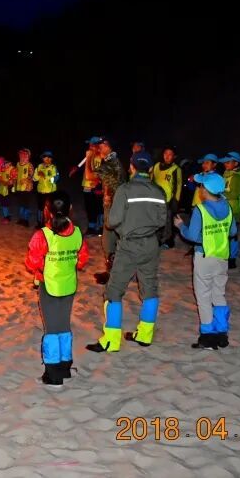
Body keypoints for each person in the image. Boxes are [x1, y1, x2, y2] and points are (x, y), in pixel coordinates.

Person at [87, 151, 166, 353]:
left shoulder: (125, 190)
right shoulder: (158, 191)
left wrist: (126, 227)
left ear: (131, 167)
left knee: (113, 291)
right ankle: (145, 335)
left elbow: (112, 221)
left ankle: (111, 340)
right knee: (150, 289)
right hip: (150, 244)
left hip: (129, 245)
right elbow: (161, 221)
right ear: (150, 169)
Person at [26, 192, 89, 385]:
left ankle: (53, 374)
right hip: (69, 285)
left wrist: (43, 270)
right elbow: (82, 259)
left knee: (52, 329)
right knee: (63, 325)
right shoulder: (77, 233)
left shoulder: (43, 235)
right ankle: (65, 366)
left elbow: (32, 262)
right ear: (70, 209)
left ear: (47, 211)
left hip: (49, 285)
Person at [175, 172, 237, 349]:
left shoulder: (200, 210)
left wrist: (180, 226)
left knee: (203, 297)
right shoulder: (227, 207)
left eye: (201, 186)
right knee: (218, 294)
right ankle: (222, 333)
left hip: (204, 256)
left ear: (205, 190)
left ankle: (208, 336)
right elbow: (232, 232)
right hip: (222, 256)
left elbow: (192, 236)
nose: (199, 188)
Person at [95, 136, 127, 284]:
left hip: (114, 204)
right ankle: (113, 271)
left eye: (101, 145)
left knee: (109, 238)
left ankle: (112, 274)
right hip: (114, 203)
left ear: (108, 147)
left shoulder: (112, 162)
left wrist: (89, 158)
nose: (98, 148)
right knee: (111, 237)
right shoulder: (111, 162)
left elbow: (92, 174)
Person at [150, 147, 183, 248]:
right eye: (165, 153)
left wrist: (175, 201)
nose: (167, 156)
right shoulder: (156, 166)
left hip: (168, 200)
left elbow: (178, 186)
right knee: (157, 220)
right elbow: (151, 181)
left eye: (170, 154)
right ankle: (158, 239)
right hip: (156, 199)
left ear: (174, 156)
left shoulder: (176, 169)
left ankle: (169, 241)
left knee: (168, 221)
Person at [219, 151, 240, 269]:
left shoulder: (237, 177)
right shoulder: (226, 174)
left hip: (233, 210)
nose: (225, 164)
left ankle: (232, 258)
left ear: (236, 163)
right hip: (224, 208)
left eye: (228, 162)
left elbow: (235, 194)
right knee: (224, 234)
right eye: (225, 162)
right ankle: (225, 254)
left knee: (232, 235)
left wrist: (220, 194)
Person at [76, 137, 103, 235]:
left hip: (97, 186)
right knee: (89, 207)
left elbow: (101, 173)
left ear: (98, 146)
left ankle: (100, 227)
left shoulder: (102, 157)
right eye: (90, 145)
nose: (90, 147)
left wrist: (99, 184)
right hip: (87, 186)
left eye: (92, 145)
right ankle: (91, 227)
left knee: (99, 207)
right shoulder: (88, 155)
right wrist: (76, 169)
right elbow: (80, 165)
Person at [34, 151, 59, 228]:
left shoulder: (53, 168)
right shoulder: (39, 166)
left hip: (50, 192)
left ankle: (50, 224)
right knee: (40, 208)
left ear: (52, 159)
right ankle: (40, 223)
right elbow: (34, 179)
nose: (47, 159)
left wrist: (45, 176)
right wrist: (38, 175)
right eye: (45, 157)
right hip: (41, 191)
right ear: (42, 158)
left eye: (49, 157)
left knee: (50, 208)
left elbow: (56, 179)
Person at [0, 157, 16, 224]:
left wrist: (7, 183)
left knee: (5, 204)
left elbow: (13, 180)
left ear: (3, 163)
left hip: (8, 189)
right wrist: (1, 180)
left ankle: (7, 217)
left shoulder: (12, 169)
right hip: (1, 188)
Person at [13, 148, 35, 227]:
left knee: (26, 205)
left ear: (28, 156)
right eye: (21, 155)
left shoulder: (29, 165)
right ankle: (21, 219)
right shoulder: (18, 164)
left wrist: (26, 179)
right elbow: (15, 174)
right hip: (19, 187)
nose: (22, 157)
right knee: (21, 204)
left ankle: (26, 220)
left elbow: (31, 175)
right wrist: (14, 182)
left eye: (24, 155)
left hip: (27, 188)